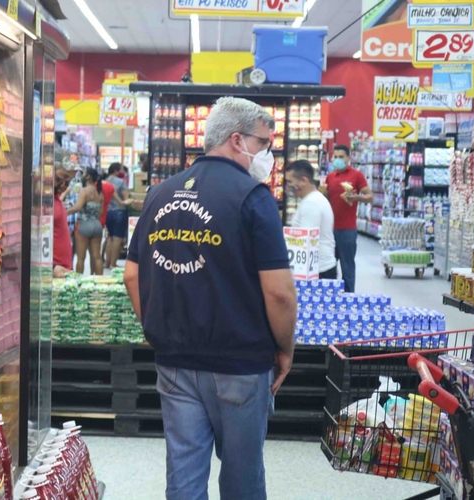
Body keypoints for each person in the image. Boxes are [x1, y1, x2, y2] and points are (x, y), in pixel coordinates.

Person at [124, 96, 297, 500]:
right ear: (237, 140)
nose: (267, 154)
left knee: (183, 478)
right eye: (264, 143)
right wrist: (285, 349)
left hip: (174, 361)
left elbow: (132, 276)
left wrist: (156, 331)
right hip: (240, 363)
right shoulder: (253, 198)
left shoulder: (160, 194)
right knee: (242, 477)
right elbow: (279, 292)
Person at [323, 145, 372, 293]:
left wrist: (357, 197)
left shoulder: (357, 176)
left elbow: (370, 197)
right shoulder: (330, 177)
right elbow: (325, 198)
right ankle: (329, 297)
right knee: (328, 266)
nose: (337, 160)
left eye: (341, 157)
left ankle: (349, 297)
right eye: (335, 157)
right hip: (329, 230)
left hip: (347, 230)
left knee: (347, 267)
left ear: (348, 159)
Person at [285, 160, 337, 279]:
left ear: (303, 180)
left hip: (317, 271)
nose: (288, 187)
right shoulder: (314, 199)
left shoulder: (311, 204)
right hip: (321, 268)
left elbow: (305, 243)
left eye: (290, 182)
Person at [67, 168, 104, 275]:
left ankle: (79, 282)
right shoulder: (99, 191)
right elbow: (100, 212)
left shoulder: (84, 191)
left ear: (88, 177)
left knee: (81, 258)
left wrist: (65, 212)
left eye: (83, 174)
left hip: (83, 225)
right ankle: (100, 281)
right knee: (97, 256)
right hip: (97, 225)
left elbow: (78, 207)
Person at [105, 163, 131, 269]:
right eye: (121, 170)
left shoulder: (105, 181)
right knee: (117, 239)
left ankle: (107, 262)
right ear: (116, 171)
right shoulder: (121, 182)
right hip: (119, 212)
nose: (123, 172)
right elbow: (125, 198)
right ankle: (113, 264)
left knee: (110, 238)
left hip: (108, 212)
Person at [53, 165, 75, 278]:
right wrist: (51, 267)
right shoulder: (41, 202)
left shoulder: (55, 198)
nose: (65, 184)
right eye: (63, 176)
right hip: (54, 270)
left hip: (62, 268)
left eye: (69, 180)